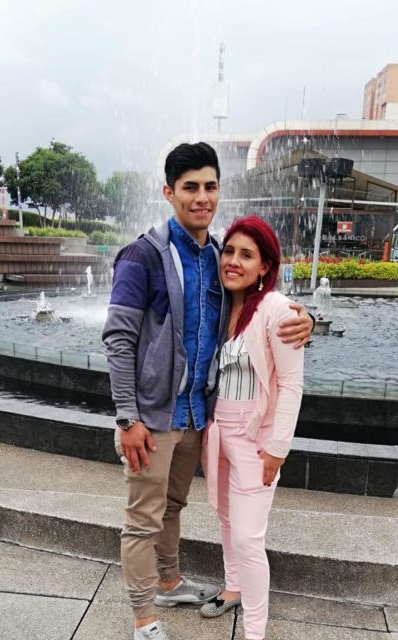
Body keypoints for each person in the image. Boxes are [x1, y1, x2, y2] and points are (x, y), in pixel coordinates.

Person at [102, 142, 313, 640]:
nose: (202, 197)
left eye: (210, 186)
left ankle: (169, 582)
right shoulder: (142, 255)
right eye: (190, 187)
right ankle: (144, 618)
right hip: (152, 418)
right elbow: (118, 339)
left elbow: (261, 304)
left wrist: (305, 319)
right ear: (169, 192)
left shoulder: (219, 256)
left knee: (173, 507)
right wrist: (127, 417)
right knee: (143, 519)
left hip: (198, 416)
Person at [199, 216, 304, 640]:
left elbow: (292, 383)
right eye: (229, 251)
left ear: (265, 266)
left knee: (248, 538)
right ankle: (233, 587)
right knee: (226, 519)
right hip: (218, 435)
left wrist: (278, 448)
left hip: (255, 441)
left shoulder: (276, 309)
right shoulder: (225, 305)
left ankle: (255, 631)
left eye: (247, 255)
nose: (233, 261)